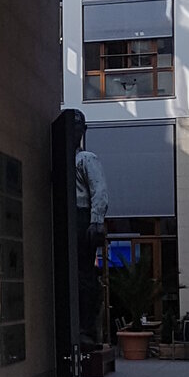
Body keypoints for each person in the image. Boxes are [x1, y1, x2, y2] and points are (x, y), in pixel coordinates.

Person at [72, 114, 108, 345]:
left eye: (78, 128)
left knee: (84, 274)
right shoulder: (65, 159)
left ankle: (87, 328)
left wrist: (96, 220)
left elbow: (99, 189)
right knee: (75, 274)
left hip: (82, 217)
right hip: (71, 217)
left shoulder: (85, 158)